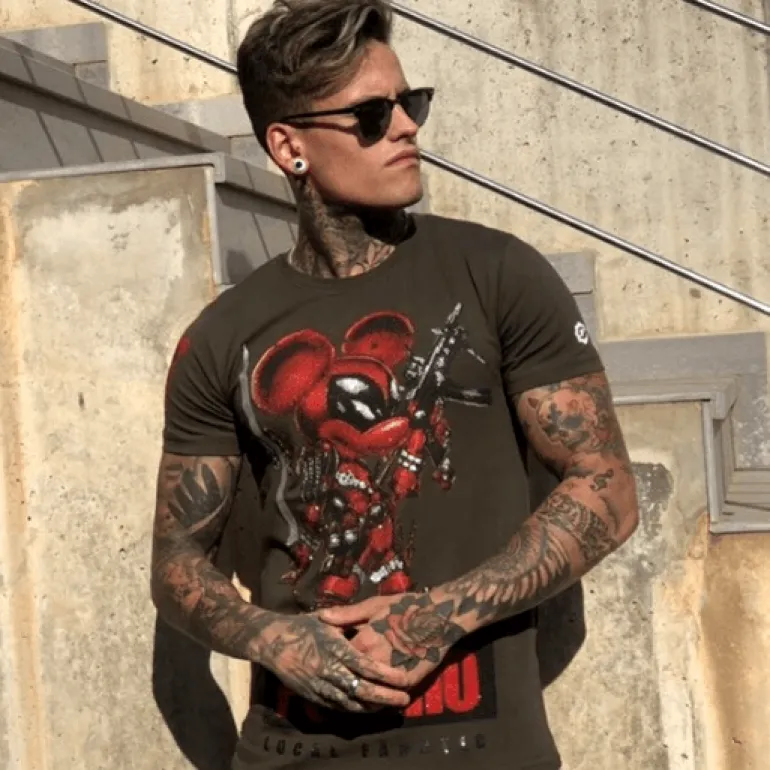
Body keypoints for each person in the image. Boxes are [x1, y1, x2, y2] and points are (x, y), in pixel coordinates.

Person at [150, 0, 640, 768]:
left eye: (410, 103)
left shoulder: (498, 276)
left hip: (480, 748)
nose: (407, 127)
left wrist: (441, 614)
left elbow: (606, 489)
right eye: (372, 116)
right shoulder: (221, 337)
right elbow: (178, 561)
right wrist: (272, 638)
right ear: (289, 146)